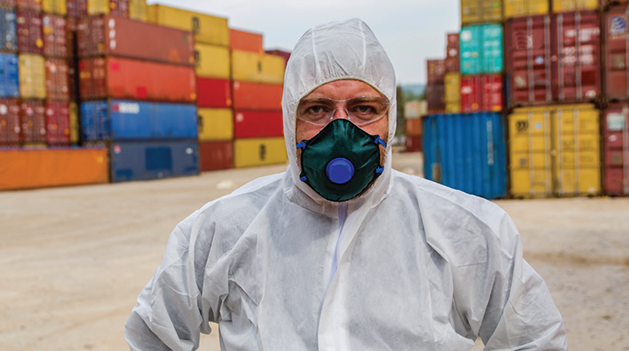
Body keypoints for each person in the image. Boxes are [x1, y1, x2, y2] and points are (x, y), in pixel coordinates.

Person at [125, 19, 567, 350]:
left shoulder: (466, 228)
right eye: (316, 109)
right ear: (288, 121)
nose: (341, 130)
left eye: (363, 108)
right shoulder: (222, 228)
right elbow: (154, 334)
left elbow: (534, 338)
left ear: (390, 117)